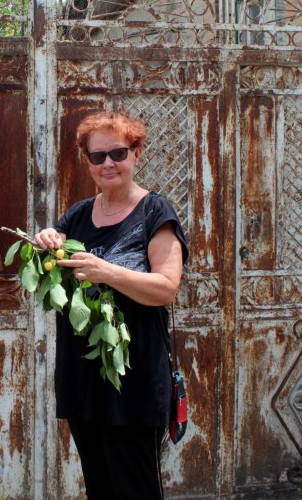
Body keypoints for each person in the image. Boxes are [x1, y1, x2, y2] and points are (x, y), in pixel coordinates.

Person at [34, 110, 188, 500]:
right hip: (83, 375)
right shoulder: (79, 214)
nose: (108, 164)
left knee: (136, 489)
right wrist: (45, 244)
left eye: (118, 153)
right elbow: (58, 271)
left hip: (133, 378)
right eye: (97, 156)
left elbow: (166, 288)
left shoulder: (156, 212)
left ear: (136, 154)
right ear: (87, 162)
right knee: (100, 489)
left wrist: (108, 272)